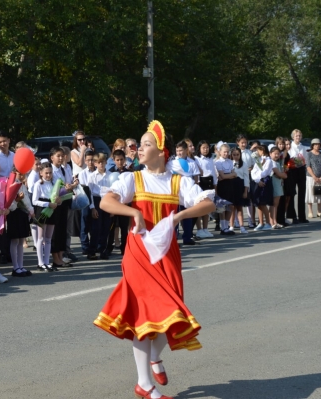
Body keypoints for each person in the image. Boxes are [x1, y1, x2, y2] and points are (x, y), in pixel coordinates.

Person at [93, 120, 216, 399]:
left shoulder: (178, 182)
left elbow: (208, 202)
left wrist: (182, 215)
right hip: (139, 255)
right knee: (144, 318)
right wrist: (133, 213)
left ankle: (155, 359)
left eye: (146, 144)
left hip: (168, 255)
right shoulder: (132, 179)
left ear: (163, 152)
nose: (139, 148)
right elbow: (105, 202)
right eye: (139, 144)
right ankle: (145, 385)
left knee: (169, 315)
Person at [50, 146, 77, 268]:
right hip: (54, 203)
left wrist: (72, 185)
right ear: (52, 158)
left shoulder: (64, 169)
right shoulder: (50, 170)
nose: (61, 158)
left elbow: (67, 183)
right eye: (58, 156)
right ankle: (55, 258)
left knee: (63, 229)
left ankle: (61, 256)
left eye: (62, 156)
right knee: (55, 232)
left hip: (64, 201)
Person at [8, 168, 34, 277]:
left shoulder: (23, 184)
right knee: (15, 241)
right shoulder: (12, 184)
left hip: (23, 214)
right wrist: (17, 200)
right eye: (19, 173)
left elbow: (27, 199)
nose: (22, 175)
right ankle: (15, 267)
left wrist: (30, 210)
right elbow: (10, 204)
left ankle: (20, 265)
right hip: (14, 214)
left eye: (24, 173)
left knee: (21, 240)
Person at [87, 153, 113, 260]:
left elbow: (114, 191)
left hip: (107, 200)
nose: (101, 164)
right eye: (99, 162)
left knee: (106, 227)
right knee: (96, 228)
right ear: (95, 164)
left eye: (103, 162)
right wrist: (92, 208)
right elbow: (90, 193)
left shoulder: (111, 175)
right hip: (97, 200)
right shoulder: (92, 176)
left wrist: (113, 208)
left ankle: (103, 250)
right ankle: (92, 251)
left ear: (106, 162)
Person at [194, 140, 216, 238]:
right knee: (199, 206)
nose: (206, 149)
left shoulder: (211, 158)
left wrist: (215, 184)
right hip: (201, 182)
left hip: (210, 182)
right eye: (203, 148)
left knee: (207, 207)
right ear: (199, 148)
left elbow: (213, 172)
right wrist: (197, 183)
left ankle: (205, 228)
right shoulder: (196, 159)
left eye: (207, 147)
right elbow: (197, 173)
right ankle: (199, 229)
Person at [78, 150, 97, 257]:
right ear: (85, 161)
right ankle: (85, 247)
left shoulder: (97, 172)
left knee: (94, 226)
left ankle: (93, 247)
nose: (90, 162)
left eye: (92, 160)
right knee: (84, 224)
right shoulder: (82, 173)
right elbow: (86, 189)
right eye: (88, 160)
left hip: (96, 199)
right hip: (85, 200)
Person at [214, 143, 236, 235]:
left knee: (231, 206)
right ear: (220, 152)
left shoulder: (230, 162)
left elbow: (234, 174)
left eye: (227, 152)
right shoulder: (218, 162)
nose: (226, 154)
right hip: (222, 185)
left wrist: (228, 175)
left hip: (230, 185)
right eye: (224, 152)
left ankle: (226, 226)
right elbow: (221, 176)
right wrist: (230, 175)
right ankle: (223, 227)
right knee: (222, 206)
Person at [287, 129, 309, 223]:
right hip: (291, 171)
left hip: (301, 170)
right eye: (296, 136)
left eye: (299, 136)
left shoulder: (303, 147)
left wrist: (302, 163)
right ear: (293, 137)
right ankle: (292, 216)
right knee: (292, 194)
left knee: (302, 193)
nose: (298, 137)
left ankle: (302, 216)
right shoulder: (289, 146)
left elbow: (306, 160)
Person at [251, 145, 273, 231]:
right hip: (257, 181)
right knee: (258, 203)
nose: (257, 152)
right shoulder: (258, 160)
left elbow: (265, 172)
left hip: (265, 182)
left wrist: (259, 178)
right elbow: (253, 171)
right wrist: (256, 180)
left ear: (262, 151)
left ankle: (268, 223)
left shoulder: (268, 160)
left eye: (258, 151)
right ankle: (261, 222)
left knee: (263, 203)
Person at [230, 147, 249, 234]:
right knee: (232, 208)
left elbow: (246, 178)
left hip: (240, 186)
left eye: (238, 155)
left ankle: (242, 226)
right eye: (234, 155)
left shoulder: (244, 164)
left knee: (239, 208)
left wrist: (245, 191)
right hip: (232, 185)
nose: (236, 156)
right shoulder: (229, 163)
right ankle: (231, 226)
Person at [305, 139, 321, 218]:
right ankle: (310, 211)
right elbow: (308, 166)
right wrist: (314, 176)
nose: (317, 146)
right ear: (312, 145)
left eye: (318, 144)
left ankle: (319, 211)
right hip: (311, 176)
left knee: (319, 194)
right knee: (310, 194)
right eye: (315, 144)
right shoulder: (309, 154)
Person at [269, 147, 287, 228]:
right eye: (275, 153)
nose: (277, 155)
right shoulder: (271, 162)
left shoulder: (277, 163)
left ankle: (274, 221)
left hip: (279, 184)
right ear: (270, 154)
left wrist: (283, 174)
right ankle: (272, 221)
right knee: (274, 203)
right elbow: (279, 174)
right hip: (274, 184)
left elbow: (281, 174)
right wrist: (283, 175)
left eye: (278, 153)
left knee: (276, 204)